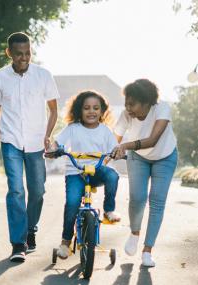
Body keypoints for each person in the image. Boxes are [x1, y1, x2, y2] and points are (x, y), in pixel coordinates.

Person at [0, 32, 60, 262]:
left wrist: (48, 135)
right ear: (9, 53)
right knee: (16, 190)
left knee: (37, 191)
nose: (24, 58)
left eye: (27, 53)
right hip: (10, 141)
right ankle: (18, 243)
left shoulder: (43, 75)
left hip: (36, 142)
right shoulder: (0, 76)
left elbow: (54, 110)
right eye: (18, 54)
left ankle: (31, 230)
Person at [46, 91, 120, 260]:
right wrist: (53, 150)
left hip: (96, 171)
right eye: (86, 108)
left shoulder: (105, 131)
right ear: (80, 110)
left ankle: (109, 210)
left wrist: (119, 152)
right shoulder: (73, 128)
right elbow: (57, 143)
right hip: (76, 172)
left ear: (102, 112)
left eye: (96, 108)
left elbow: (115, 147)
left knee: (112, 176)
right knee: (72, 203)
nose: (91, 111)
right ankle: (65, 242)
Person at [111, 79, 178, 267]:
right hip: (138, 158)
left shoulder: (161, 109)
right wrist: (103, 159)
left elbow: (153, 140)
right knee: (137, 197)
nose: (128, 108)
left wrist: (125, 146)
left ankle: (147, 251)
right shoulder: (127, 115)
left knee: (156, 201)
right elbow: (112, 141)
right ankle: (134, 233)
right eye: (126, 103)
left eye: (132, 104)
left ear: (147, 102)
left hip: (165, 156)